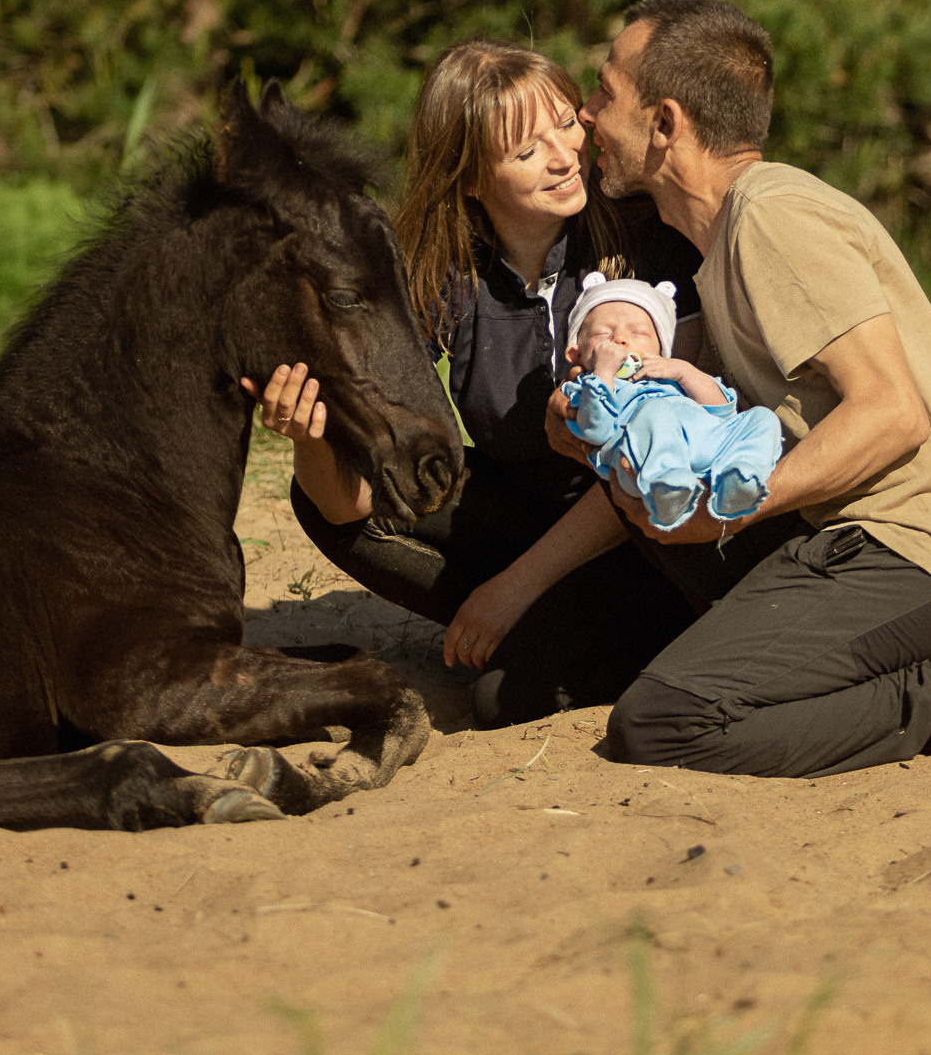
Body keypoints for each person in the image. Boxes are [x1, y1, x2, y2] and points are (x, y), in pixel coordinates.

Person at [557, 0, 931, 778]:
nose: (588, 113)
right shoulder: (721, 241)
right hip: (843, 532)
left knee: (665, 723)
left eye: (606, 93)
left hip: (914, 544)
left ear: (666, 121)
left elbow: (892, 414)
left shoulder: (773, 217)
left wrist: (722, 508)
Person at [246, 38, 797, 727]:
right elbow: (351, 503)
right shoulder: (444, 271)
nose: (565, 155)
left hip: (645, 535)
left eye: (567, 122)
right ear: (471, 178)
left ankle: (594, 630)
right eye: (527, 149)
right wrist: (309, 438)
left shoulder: (646, 242)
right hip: (528, 516)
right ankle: (540, 621)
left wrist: (513, 588)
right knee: (320, 497)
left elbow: (662, 450)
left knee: (505, 699)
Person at [559, 274, 782, 531]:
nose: (620, 338)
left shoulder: (671, 377)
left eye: (639, 332)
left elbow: (722, 412)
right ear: (575, 354)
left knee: (762, 417)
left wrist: (684, 372)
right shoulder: (586, 387)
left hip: (708, 445)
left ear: (661, 349)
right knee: (654, 411)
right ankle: (668, 487)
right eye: (602, 332)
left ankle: (739, 478)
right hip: (640, 464)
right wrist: (603, 374)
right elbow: (595, 431)